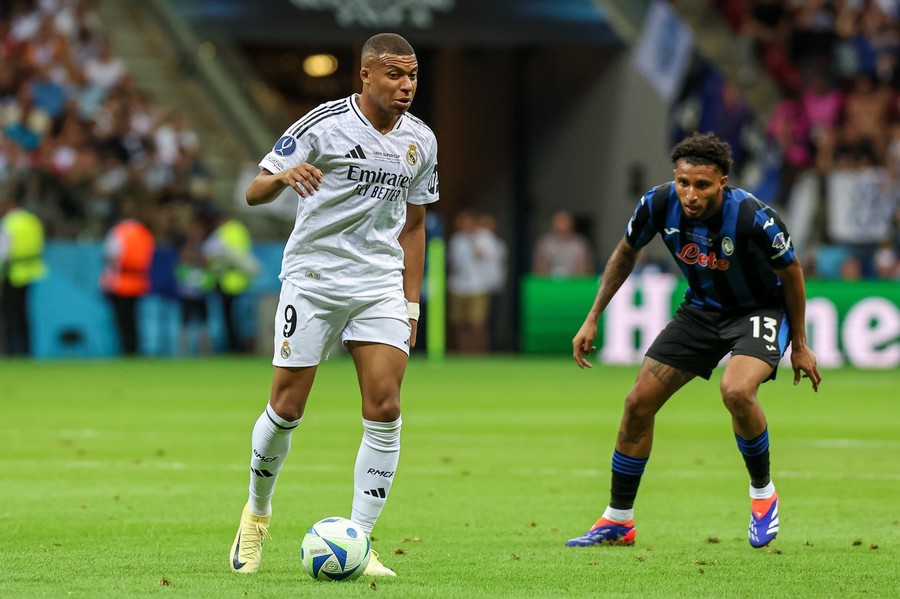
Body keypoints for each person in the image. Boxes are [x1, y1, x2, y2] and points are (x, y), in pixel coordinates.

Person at [229, 33, 439, 577]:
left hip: (378, 284)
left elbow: (415, 224)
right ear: (365, 75)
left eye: (412, 75)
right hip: (314, 279)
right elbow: (252, 191)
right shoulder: (322, 124)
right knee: (287, 407)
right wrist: (281, 177)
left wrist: (411, 304)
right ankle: (256, 513)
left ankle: (359, 541)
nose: (407, 86)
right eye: (395, 75)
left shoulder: (421, 140)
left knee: (386, 407)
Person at [567, 132, 821, 550]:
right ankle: (618, 520)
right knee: (637, 404)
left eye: (701, 185)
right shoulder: (657, 203)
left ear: (722, 181)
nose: (690, 193)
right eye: (684, 182)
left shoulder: (754, 217)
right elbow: (626, 251)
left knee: (736, 391)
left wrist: (801, 342)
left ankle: (763, 495)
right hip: (701, 311)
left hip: (758, 310)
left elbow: (792, 273)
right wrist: (593, 316)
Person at [447, 210, 504, 353]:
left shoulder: (484, 238)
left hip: (477, 286)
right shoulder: (456, 239)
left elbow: (484, 256)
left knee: (477, 322)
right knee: (460, 322)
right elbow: (452, 262)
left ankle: (479, 351)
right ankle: (464, 351)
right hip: (458, 286)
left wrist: (472, 240)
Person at [202, 212, 259, 353]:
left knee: (229, 319)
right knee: (245, 318)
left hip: (226, 282)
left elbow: (211, 254)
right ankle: (246, 346)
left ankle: (232, 346)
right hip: (244, 281)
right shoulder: (241, 230)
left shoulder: (221, 233)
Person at [99, 213, 155, 356]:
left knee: (122, 320)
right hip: (138, 282)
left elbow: (109, 255)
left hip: (118, 283)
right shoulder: (144, 233)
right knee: (134, 319)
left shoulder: (117, 232)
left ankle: (126, 350)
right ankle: (134, 350)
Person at [0, 197, 47, 356]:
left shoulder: (9, 222)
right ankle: (25, 350)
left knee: (11, 315)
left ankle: (12, 351)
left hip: (13, 272)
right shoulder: (32, 220)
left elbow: (3, 251)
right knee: (24, 313)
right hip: (31, 270)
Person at [532, 210, 594, 276]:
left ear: (571, 224)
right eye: (559, 221)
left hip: (574, 283)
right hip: (549, 283)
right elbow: (538, 268)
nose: (562, 225)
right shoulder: (545, 243)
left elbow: (586, 269)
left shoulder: (579, 244)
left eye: (564, 221)